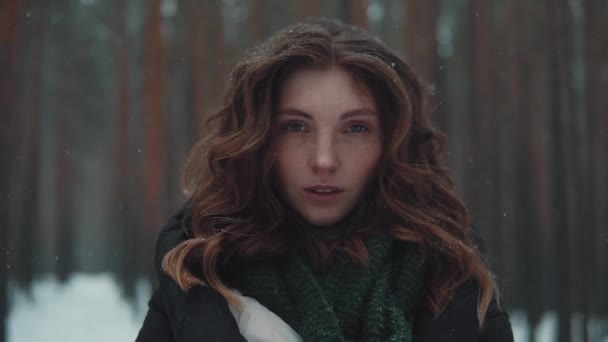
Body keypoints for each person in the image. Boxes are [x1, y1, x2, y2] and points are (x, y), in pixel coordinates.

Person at [136, 18, 513, 342]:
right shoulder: (198, 274)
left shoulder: (453, 273)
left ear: (391, 141)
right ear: (260, 138)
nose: (324, 160)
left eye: (355, 128)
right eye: (295, 126)